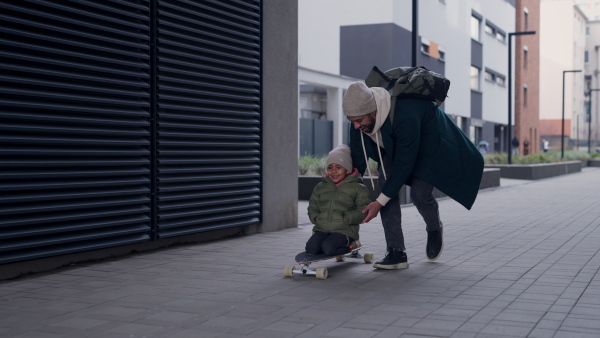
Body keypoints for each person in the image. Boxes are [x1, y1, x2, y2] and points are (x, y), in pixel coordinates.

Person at [342, 81, 484, 270]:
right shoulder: (359, 118)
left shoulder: (404, 113)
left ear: (373, 112)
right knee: (385, 185)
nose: (356, 125)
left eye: (359, 121)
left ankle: (434, 228)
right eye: (352, 121)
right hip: (396, 146)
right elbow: (358, 157)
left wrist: (379, 202)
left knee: (419, 194)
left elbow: (404, 164)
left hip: (429, 147)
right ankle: (396, 252)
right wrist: (345, 191)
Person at [305, 144, 372, 256]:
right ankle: (329, 245)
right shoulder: (321, 187)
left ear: (348, 170)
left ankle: (352, 244)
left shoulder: (358, 188)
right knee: (311, 249)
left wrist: (347, 217)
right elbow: (313, 206)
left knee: (329, 249)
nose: (334, 171)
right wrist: (316, 218)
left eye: (338, 167)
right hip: (322, 229)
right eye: (330, 167)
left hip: (344, 231)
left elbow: (364, 209)